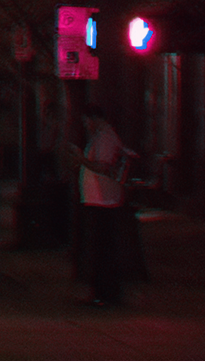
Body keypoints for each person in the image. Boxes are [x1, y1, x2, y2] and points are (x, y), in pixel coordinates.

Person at [72, 105, 131, 306]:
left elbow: (103, 167)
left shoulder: (105, 138)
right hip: (98, 200)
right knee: (99, 249)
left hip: (103, 202)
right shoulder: (101, 136)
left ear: (95, 118)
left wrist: (81, 160)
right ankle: (101, 292)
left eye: (87, 120)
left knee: (103, 249)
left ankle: (106, 294)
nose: (86, 125)